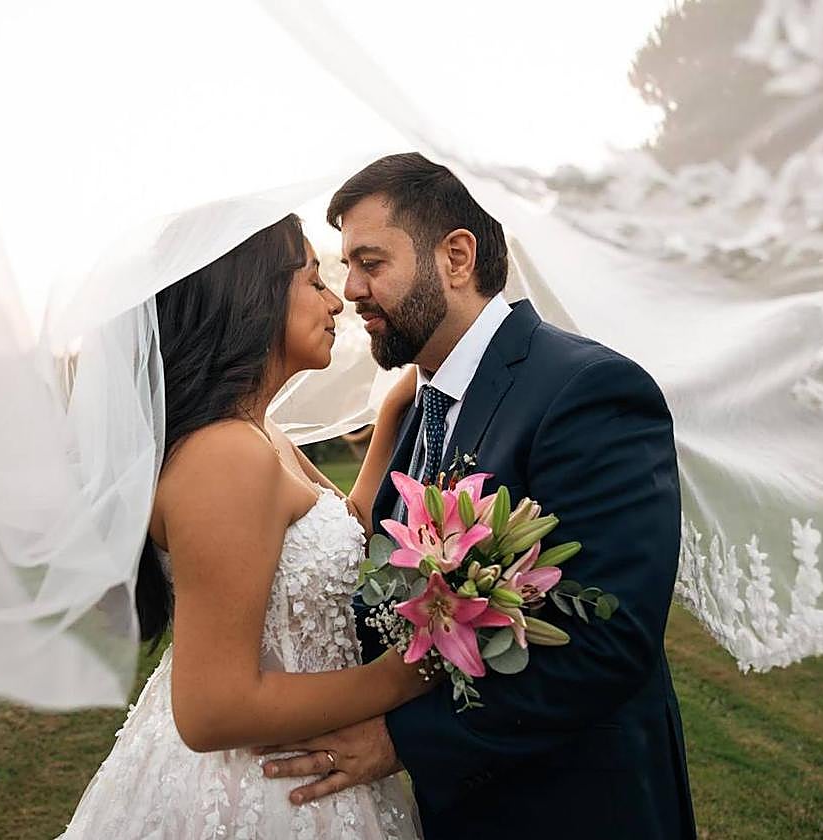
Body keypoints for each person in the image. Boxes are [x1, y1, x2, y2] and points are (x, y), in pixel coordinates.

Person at [259, 154, 698, 839]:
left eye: (370, 262)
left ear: (456, 256)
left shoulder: (586, 390)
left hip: (578, 809)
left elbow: (610, 640)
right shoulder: (415, 409)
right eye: (345, 267)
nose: (351, 291)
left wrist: (404, 740)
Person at [58, 214, 424, 839]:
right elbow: (213, 710)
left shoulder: (259, 433)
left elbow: (346, 530)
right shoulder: (226, 457)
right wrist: (406, 675)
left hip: (299, 766)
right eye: (313, 281)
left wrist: (392, 414)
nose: (335, 300)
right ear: (252, 297)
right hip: (254, 792)